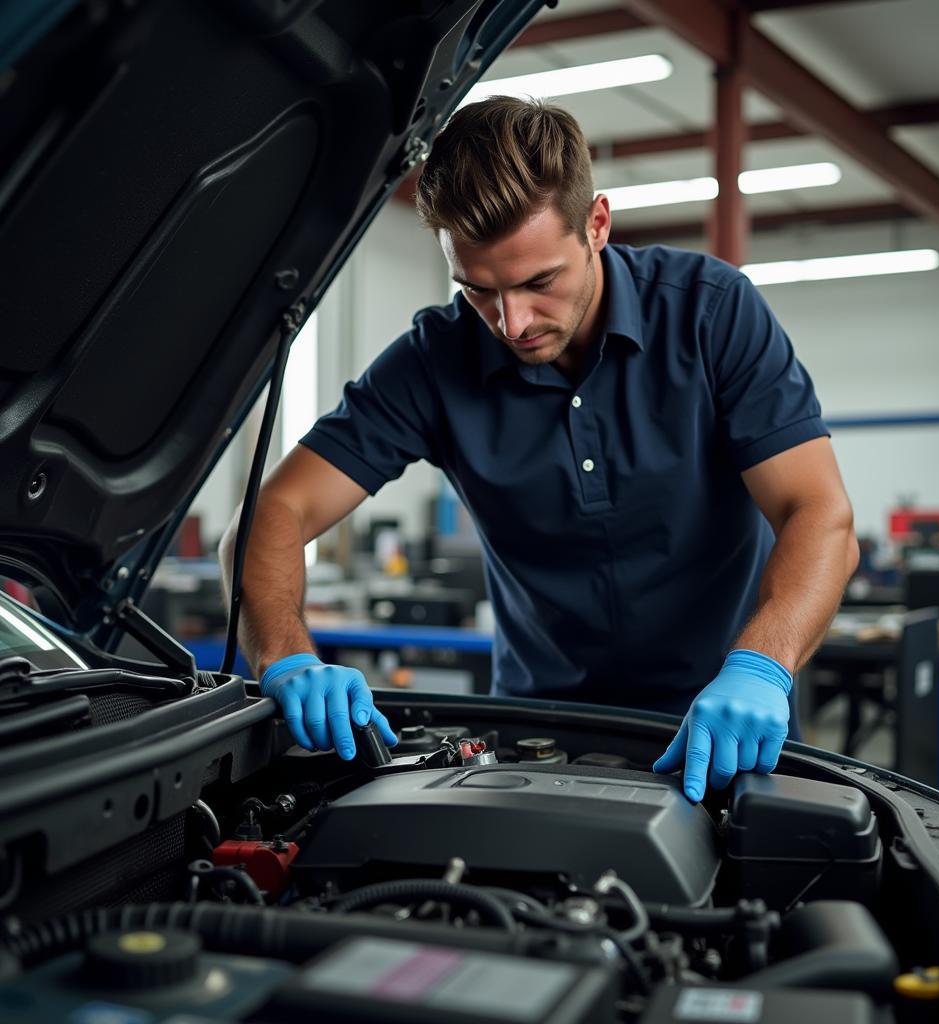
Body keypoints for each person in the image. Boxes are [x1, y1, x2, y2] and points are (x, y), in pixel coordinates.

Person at [219, 97, 859, 802]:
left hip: (723, 725)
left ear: (597, 225)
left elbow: (817, 512)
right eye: (479, 291)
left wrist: (763, 665)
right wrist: (286, 657)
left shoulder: (712, 313)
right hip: (534, 732)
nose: (512, 322)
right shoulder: (435, 361)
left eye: (538, 282)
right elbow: (272, 513)